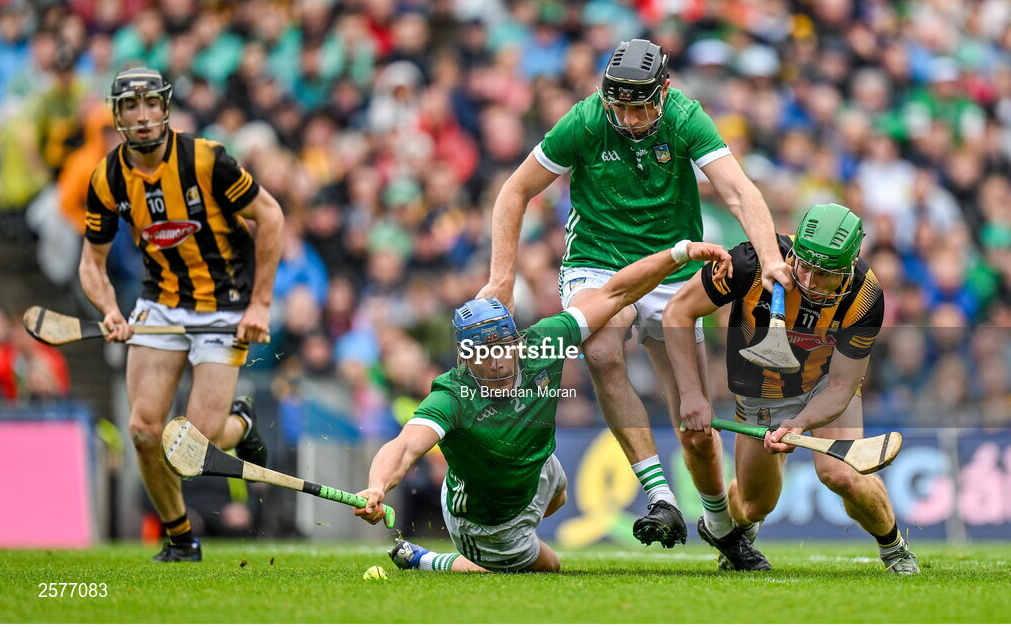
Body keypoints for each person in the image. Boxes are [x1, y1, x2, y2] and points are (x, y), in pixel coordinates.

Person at [477, 38, 791, 553]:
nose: (631, 117)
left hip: (673, 269)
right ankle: (661, 496)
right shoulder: (583, 121)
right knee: (600, 348)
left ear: (664, 92)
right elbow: (515, 190)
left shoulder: (687, 117)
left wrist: (771, 257)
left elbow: (739, 190)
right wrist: (502, 279)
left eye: (642, 105)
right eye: (620, 105)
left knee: (694, 423)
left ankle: (717, 523)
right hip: (597, 263)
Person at [354, 239, 732, 573]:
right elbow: (404, 447)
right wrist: (376, 488)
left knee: (561, 493)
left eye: (504, 344)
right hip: (483, 519)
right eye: (484, 352)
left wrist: (679, 253)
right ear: (465, 356)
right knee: (549, 565)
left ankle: (505, 546)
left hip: (536, 470)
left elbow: (616, 293)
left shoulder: (542, 345)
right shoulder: (452, 397)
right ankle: (430, 560)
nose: (498, 360)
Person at [79, 67, 285, 562]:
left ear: (166, 107)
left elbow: (271, 215)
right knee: (145, 431)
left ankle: (242, 425)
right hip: (161, 303)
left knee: (193, 448)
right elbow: (92, 261)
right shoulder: (107, 177)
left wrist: (259, 303)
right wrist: (109, 308)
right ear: (117, 114)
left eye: (151, 103)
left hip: (224, 303)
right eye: (131, 106)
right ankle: (180, 539)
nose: (143, 115)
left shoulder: (206, 159)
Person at [664, 204, 920, 574]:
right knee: (753, 507)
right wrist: (691, 393)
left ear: (848, 268)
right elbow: (677, 312)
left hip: (823, 386)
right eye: (804, 266)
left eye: (825, 274)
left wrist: (797, 424)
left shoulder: (865, 296)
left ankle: (894, 549)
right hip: (760, 391)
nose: (810, 281)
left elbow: (842, 386)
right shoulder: (750, 263)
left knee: (841, 474)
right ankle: (741, 537)